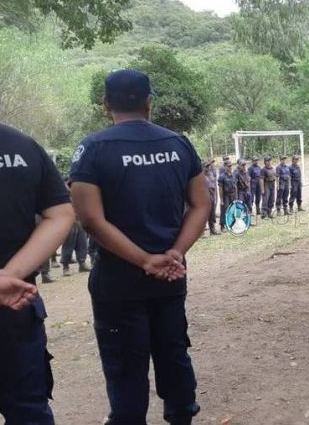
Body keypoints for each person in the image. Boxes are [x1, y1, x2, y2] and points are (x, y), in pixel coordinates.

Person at [69, 69, 210, 425]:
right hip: (171, 276)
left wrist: (145, 260)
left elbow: (90, 220)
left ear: (105, 104)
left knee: (125, 365)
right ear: (149, 101)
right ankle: (181, 416)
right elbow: (201, 204)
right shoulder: (178, 144)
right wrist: (175, 252)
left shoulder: (93, 149)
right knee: (173, 353)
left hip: (119, 282)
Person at [0, 69, 75, 424]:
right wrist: (9, 276)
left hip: (9, 296)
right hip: (17, 302)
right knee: (28, 412)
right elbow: (61, 213)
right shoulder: (22, 145)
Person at [218, 159, 237, 230]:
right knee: (225, 210)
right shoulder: (222, 176)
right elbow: (220, 188)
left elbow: (235, 186)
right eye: (228, 166)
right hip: (225, 195)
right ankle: (222, 226)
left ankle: (231, 224)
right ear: (225, 167)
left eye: (230, 166)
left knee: (232, 209)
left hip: (232, 195)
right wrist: (221, 199)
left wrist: (236, 196)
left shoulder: (232, 175)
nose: (230, 168)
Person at [203, 159, 219, 235]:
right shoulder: (201, 176)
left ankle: (212, 230)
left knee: (212, 214)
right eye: (206, 166)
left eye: (209, 166)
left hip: (212, 195)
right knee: (204, 214)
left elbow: (214, 184)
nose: (208, 168)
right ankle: (202, 232)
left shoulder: (211, 174)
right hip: (205, 197)